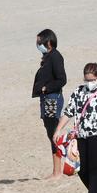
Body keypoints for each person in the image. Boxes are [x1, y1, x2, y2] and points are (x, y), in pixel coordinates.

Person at [52, 63, 97, 193]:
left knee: (95, 168)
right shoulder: (78, 92)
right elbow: (69, 111)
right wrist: (58, 130)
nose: (89, 83)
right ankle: (95, 192)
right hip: (81, 135)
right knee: (81, 169)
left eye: (92, 80)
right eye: (86, 80)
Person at [33, 30, 68, 179]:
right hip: (46, 98)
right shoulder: (48, 57)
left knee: (54, 132)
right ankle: (56, 170)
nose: (37, 45)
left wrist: (46, 87)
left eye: (39, 42)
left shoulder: (55, 57)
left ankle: (58, 171)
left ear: (48, 42)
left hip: (52, 98)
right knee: (50, 132)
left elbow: (62, 79)